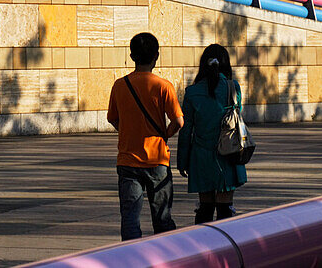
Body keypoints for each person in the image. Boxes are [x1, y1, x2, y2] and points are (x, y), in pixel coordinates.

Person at [106, 32, 184, 240]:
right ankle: (167, 257)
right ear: (156, 56)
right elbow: (178, 121)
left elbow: (112, 118)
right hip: (157, 160)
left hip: (128, 160)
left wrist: (128, 131)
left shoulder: (119, 86)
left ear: (132, 56)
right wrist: (164, 135)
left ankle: (131, 259)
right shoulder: (163, 86)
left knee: (130, 219)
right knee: (162, 218)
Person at [176, 43, 247, 223]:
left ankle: (202, 247)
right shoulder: (233, 87)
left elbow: (186, 131)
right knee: (225, 209)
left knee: (205, 208)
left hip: (201, 157)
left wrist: (182, 161)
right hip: (228, 155)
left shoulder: (192, 92)